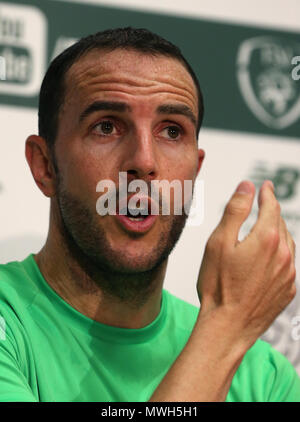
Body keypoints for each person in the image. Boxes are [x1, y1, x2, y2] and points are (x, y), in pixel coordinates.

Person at [0, 27, 299, 402]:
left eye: (172, 131)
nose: (144, 161)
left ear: (195, 170)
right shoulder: (227, 339)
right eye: (106, 126)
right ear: (45, 165)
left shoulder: (264, 378)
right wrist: (227, 324)